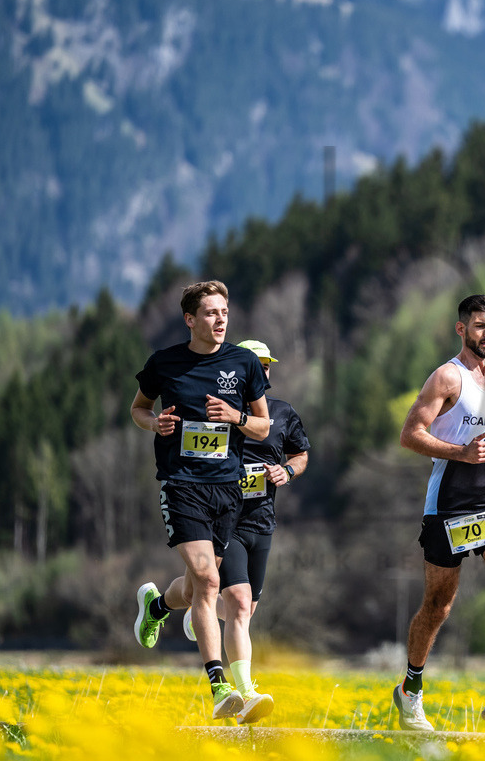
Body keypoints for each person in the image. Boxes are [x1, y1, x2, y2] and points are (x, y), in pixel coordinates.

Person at [130, 280, 272, 723]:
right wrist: (155, 424)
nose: (221, 318)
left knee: (194, 588)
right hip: (182, 484)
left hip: (226, 490)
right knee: (210, 583)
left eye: (225, 311)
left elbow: (264, 428)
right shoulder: (165, 363)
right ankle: (220, 687)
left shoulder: (244, 363)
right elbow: (137, 408)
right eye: (211, 312)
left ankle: (155, 606)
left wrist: (237, 417)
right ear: (190, 319)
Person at [392, 294, 485, 732]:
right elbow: (410, 434)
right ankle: (410, 691)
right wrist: (461, 452)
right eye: (478, 325)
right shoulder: (446, 378)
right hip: (449, 504)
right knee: (439, 604)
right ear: (461, 329)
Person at [179, 340, 311, 721]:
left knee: (242, 605)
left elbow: (300, 455)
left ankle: (169, 607)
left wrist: (285, 471)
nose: (263, 372)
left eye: (267, 366)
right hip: (224, 519)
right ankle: (246, 693)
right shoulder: (216, 409)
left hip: (262, 522)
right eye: (256, 365)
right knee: (237, 601)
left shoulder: (282, 413)